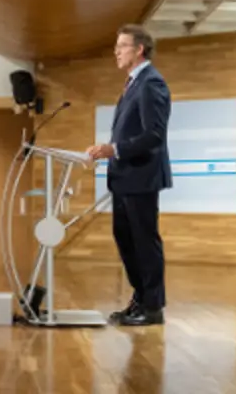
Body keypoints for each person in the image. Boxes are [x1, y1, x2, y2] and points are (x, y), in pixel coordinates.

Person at [87, 24, 172, 326]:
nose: (116, 51)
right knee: (126, 239)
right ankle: (140, 299)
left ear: (139, 49)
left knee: (143, 241)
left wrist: (115, 149)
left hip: (142, 177)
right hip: (125, 178)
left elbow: (154, 135)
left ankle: (152, 307)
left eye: (122, 46)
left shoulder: (151, 83)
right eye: (116, 45)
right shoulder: (134, 83)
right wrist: (111, 152)